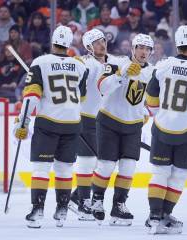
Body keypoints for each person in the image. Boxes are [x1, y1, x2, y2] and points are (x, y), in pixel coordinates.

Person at [13, 25, 88, 228]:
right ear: (70, 43)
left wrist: (23, 121)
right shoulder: (80, 65)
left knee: (41, 168)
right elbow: (81, 96)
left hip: (48, 122)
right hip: (72, 123)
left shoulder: (40, 63)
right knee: (64, 169)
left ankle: (37, 211)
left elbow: (31, 97)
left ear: (52, 40)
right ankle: (62, 210)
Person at [145, 25, 187, 234]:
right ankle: (165, 215)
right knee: (178, 176)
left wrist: (162, 115)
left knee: (159, 173)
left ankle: (154, 217)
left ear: (177, 43)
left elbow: (150, 99)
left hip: (162, 128)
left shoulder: (163, 65)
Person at [91, 33, 154, 226]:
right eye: (140, 47)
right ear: (132, 49)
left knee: (128, 167)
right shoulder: (117, 63)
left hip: (132, 125)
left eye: (147, 49)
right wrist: (122, 74)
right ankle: (97, 201)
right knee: (107, 165)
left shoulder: (152, 72)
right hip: (109, 121)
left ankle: (119, 205)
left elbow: (149, 99)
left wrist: (144, 111)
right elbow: (102, 87)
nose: (143, 52)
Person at [68, 29, 117, 221]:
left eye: (103, 40)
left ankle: (75, 199)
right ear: (88, 47)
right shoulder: (83, 63)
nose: (101, 44)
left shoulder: (114, 62)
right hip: (84, 117)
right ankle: (82, 202)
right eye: (96, 42)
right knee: (87, 161)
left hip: (104, 119)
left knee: (103, 163)